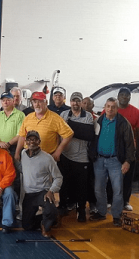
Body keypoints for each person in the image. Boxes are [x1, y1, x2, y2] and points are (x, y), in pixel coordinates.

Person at [89, 97, 135, 226]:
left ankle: (116, 215)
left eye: (113, 107)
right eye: (108, 106)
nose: (110, 109)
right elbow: (93, 139)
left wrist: (127, 161)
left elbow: (130, 145)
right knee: (98, 188)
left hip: (116, 161)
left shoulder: (123, 123)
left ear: (117, 108)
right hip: (99, 160)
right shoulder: (98, 121)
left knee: (118, 190)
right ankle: (102, 212)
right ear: (104, 107)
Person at [58, 92, 95, 222]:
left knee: (82, 186)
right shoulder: (63, 115)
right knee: (64, 184)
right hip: (65, 155)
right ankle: (63, 206)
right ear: (70, 102)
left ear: (81, 102)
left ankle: (81, 210)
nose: (75, 103)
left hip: (82, 157)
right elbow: (60, 134)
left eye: (78, 101)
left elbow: (88, 134)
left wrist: (70, 127)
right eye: (73, 101)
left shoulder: (88, 116)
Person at [20, 131, 63, 237]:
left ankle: (46, 225)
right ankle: (50, 219)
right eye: (29, 139)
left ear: (39, 141)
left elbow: (58, 177)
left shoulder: (47, 158)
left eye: (34, 139)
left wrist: (51, 191)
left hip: (42, 192)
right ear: (25, 142)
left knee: (50, 209)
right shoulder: (23, 154)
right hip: (29, 194)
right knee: (27, 226)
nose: (32, 142)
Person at [15, 91, 74, 162]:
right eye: (34, 102)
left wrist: (58, 152)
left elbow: (69, 134)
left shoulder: (55, 118)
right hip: (28, 156)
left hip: (47, 158)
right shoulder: (28, 117)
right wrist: (17, 152)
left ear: (46, 102)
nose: (37, 105)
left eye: (40, 102)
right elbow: (22, 136)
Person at [116, 87, 139, 212]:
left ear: (130, 97)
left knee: (127, 177)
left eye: (127, 95)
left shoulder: (135, 112)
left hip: (129, 150)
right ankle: (109, 200)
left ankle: (125, 201)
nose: (124, 97)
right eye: (122, 95)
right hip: (113, 149)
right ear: (118, 96)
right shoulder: (111, 108)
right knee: (112, 176)